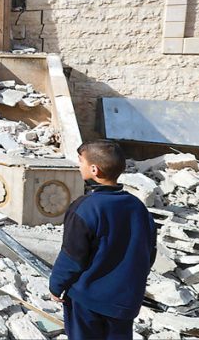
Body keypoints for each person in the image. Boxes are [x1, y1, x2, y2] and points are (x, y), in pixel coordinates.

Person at [49, 140, 157, 339]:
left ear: (94, 170)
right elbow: (149, 253)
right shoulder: (137, 207)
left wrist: (56, 286)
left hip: (87, 300)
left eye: (80, 161)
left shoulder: (86, 208)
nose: (78, 166)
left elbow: (72, 256)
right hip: (124, 302)